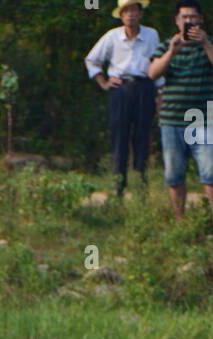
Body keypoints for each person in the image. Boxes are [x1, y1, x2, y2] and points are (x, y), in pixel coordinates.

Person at [149, 2, 213, 235]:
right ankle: (180, 221)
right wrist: (172, 51)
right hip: (171, 119)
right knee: (174, 174)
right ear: (177, 21)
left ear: (201, 21)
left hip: (201, 120)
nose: (189, 21)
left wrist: (206, 43)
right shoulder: (166, 46)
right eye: (184, 17)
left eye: (193, 17)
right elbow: (152, 73)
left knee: (211, 171)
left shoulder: (211, 44)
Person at [85, 2, 160, 197]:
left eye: (134, 11)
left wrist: (161, 92)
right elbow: (92, 59)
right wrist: (103, 82)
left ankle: (141, 185)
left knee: (143, 136)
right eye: (126, 11)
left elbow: (158, 64)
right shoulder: (112, 36)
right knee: (119, 137)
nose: (130, 15)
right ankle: (118, 186)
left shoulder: (151, 35)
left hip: (145, 87)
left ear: (140, 13)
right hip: (121, 88)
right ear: (120, 15)